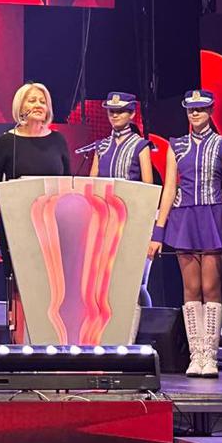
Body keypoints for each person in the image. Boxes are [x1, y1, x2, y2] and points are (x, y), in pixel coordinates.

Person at [148, 90, 222, 377]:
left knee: (211, 287)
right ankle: (196, 355)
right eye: (191, 109)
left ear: (210, 111)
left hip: (214, 217)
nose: (195, 113)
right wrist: (158, 233)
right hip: (184, 218)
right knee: (191, 288)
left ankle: (210, 356)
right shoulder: (176, 145)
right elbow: (169, 188)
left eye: (201, 109)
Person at [0, 83, 70, 327]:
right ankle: (20, 333)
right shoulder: (7, 141)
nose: (38, 105)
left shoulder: (58, 140)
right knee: (20, 282)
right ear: (20, 107)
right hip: (17, 224)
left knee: (51, 283)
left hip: (52, 225)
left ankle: (50, 332)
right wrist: (3, 198)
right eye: (32, 100)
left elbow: (68, 181)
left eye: (42, 101)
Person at [91, 91, 156, 334]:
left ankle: (137, 336)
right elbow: (92, 184)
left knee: (135, 283)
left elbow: (148, 189)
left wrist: (149, 230)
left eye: (120, 111)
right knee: (106, 282)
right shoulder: (101, 146)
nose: (115, 115)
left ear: (131, 114)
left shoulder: (141, 146)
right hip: (105, 224)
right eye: (111, 111)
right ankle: (110, 333)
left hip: (134, 225)